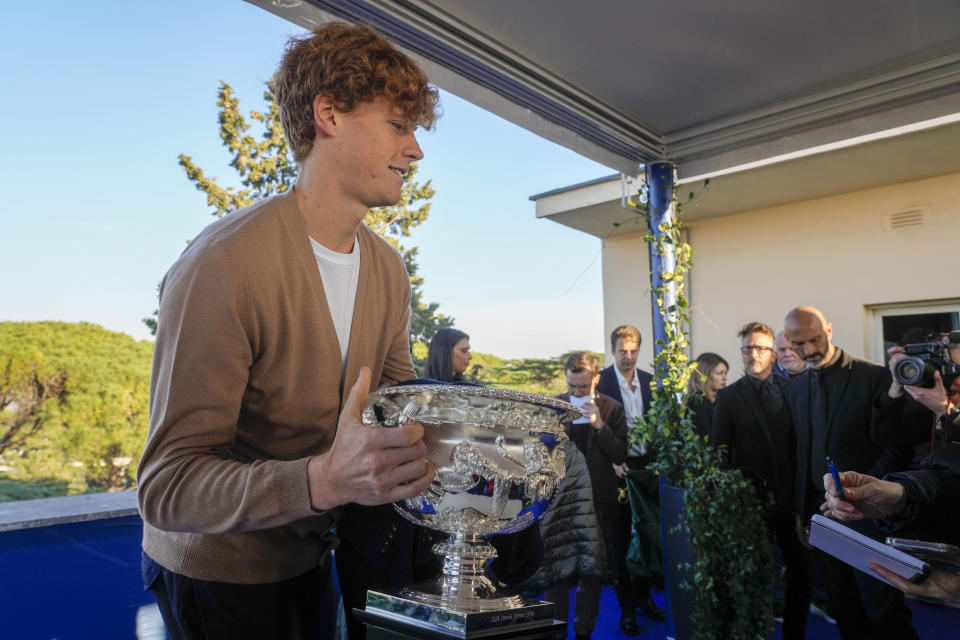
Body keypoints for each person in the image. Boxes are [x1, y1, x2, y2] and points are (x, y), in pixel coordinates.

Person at [136, 23, 440, 640]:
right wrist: (321, 480)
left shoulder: (387, 268)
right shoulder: (224, 263)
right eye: (398, 125)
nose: (415, 150)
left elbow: (395, 402)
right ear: (328, 113)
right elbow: (167, 486)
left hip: (314, 558)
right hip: (217, 575)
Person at [783, 306, 917, 640]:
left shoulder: (874, 377)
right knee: (844, 607)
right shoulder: (797, 386)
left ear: (828, 330)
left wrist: (866, 495)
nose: (809, 351)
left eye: (815, 340)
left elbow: (897, 448)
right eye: (799, 344)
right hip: (822, 513)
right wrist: (802, 513)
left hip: (870, 514)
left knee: (883, 609)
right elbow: (801, 455)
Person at [711, 322, 810, 639]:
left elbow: (804, 447)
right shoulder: (728, 398)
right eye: (747, 348)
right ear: (741, 352)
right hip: (749, 506)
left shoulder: (796, 390)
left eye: (760, 348)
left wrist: (802, 501)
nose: (753, 353)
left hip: (794, 502)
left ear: (773, 352)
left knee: (801, 577)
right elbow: (719, 455)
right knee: (753, 579)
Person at [552, 352, 633, 637]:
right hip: (561, 503)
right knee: (558, 576)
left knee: (592, 575)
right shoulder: (556, 407)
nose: (576, 392)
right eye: (572, 386)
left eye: (583, 387)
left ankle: (584, 632)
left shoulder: (611, 409)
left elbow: (620, 453)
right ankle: (558, 631)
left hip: (599, 503)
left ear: (596, 379)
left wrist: (599, 425)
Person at [596, 325, 666, 623]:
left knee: (649, 536)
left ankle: (644, 597)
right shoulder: (602, 383)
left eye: (633, 350)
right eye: (622, 351)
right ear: (612, 350)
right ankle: (627, 609)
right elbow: (593, 429)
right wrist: (610, 460)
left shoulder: (651, 382)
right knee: (621, 539)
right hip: (616, 469)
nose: (628, 356)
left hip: (647, 470)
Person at [686, 352, 728, 438]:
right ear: (705, 375)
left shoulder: (718, 401)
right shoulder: (697, 402)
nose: (724, 378)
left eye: (725, 373)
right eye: (719, 373)